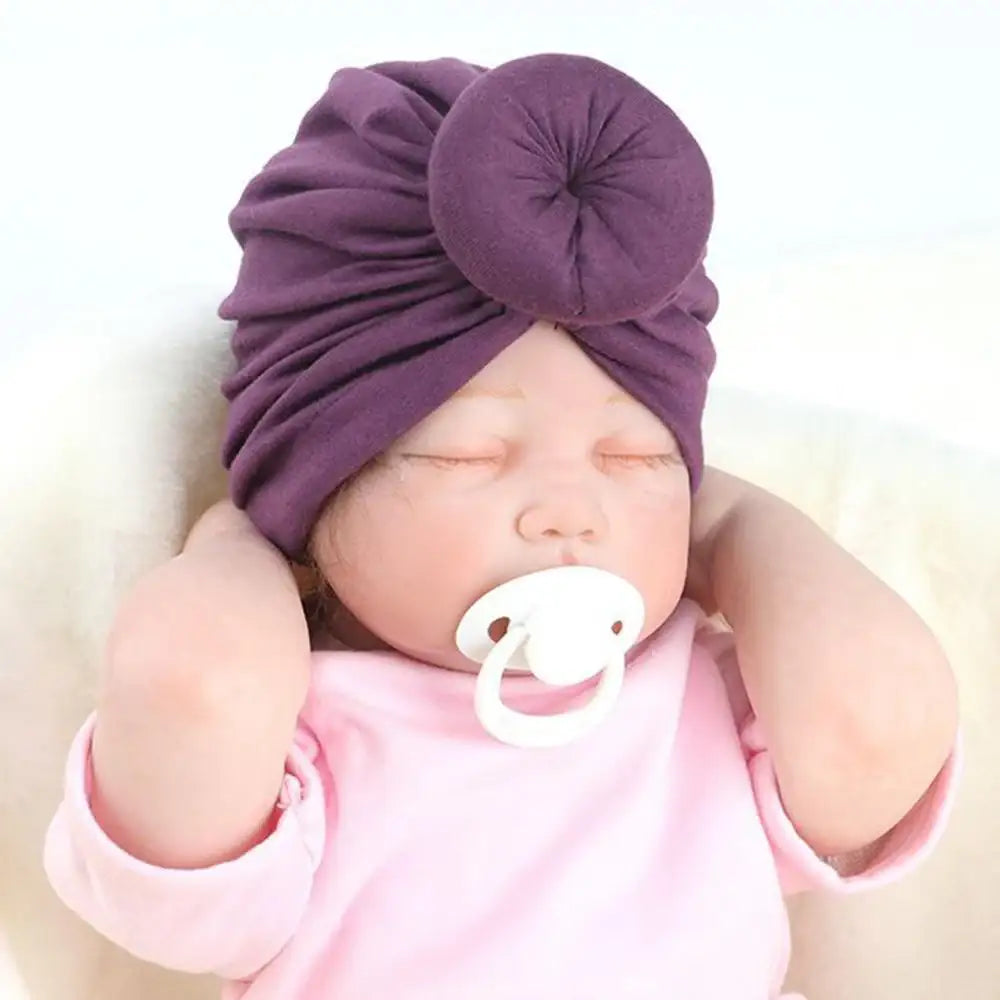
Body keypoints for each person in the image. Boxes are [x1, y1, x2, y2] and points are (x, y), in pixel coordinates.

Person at [43, 53, 959, 999]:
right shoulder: (299, 740)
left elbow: (878, 717)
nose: (571, 510)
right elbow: (190, 688)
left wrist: (730, 524)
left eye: (633, 459)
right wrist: (241, 544)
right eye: (469, 457)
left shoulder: (705, 694)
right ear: (311, 516)